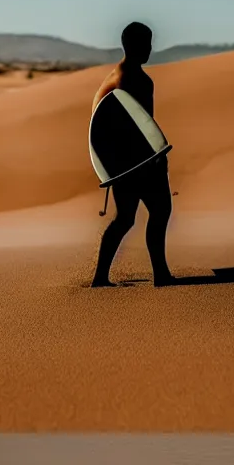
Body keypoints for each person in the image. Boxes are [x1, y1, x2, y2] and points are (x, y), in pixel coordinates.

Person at [91, 21, 175, 288]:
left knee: (125, 218)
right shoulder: (134, 80)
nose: (150, 49)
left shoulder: (114, 77)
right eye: (147, 44)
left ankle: (100, 277)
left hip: (121, 164)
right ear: (136, 46)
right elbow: (141, 126)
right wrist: (156, 159)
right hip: (137, 162)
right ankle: (160, 275)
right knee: (160, 210)